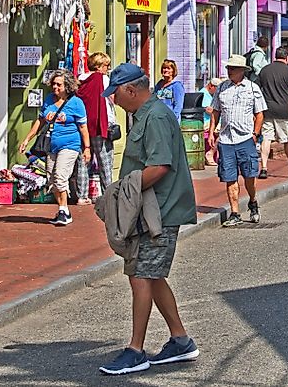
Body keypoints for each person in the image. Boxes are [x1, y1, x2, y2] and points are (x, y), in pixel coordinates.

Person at [97, 64, 199, 375]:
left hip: (160, 210)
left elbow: (159, 166)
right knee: (150, 275)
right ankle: (180, 341)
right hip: (152, 208)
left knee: (140, 275)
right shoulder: (148, 114)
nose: (113, 101)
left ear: (130, 90)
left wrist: (120, 193)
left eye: (115, 94)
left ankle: (136, 350)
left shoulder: (154, 116)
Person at [19, 70, 89, 226]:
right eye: (54, 84)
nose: (55, 87)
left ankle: (64, 210)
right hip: (51, 146)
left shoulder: (76, 103)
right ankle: (63, 209)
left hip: (70, 145)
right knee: (51, 180)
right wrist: (26, 139)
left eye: (59, 84)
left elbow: (83, 127)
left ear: (68, 86)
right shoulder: (49, 100)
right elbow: (40, 122)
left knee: (60, 177)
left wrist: (87, 148)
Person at [211, 55, 266, 226]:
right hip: (227, 140)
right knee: (229, 177)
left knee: (249, 175)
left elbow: (260, 114)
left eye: (233, 68)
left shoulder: (252, 88)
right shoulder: (221, 88)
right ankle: (235, 212)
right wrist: (213, 130)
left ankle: (252, 201)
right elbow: (215, 110)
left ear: (242, 70)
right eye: (228, 68)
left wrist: (255, 134)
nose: (230, 71)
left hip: (245, 138)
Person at [256, 47, 288, 179]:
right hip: (283, 111)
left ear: (275, 56)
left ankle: (264, 168)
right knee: (287, 140)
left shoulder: (265, 70)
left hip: (267, 110)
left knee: (266, 139)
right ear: (287, 58)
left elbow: (256, 88)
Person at [76, 53, 113, 204]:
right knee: (105, 161)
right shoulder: (102, 79)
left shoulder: (80, 79)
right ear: (98, 66)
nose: (107, 69)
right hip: (99, 124)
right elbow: (112, 98)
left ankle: (82, 195)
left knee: (83, 160)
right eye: (105, 65)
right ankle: (108, 194)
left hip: (82, 125)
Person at [201, 77, 219, 166]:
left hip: (212, 121)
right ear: (211, 86)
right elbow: (209, 110)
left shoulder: (212, 95)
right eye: (217, 89)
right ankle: (210, 153)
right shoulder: (203, 94)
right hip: (206, 123)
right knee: (222, 131)